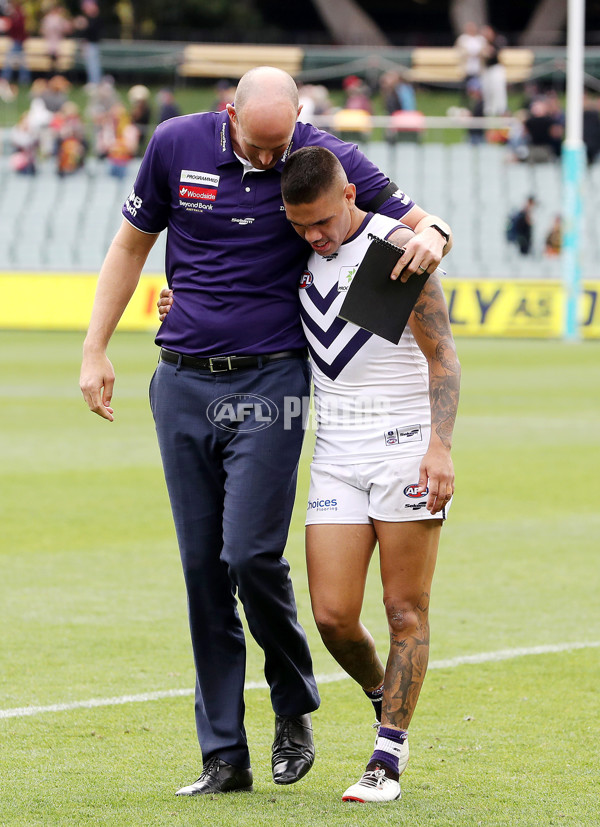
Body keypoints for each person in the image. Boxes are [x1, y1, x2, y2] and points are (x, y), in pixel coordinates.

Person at [80, 66, 453, 798]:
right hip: (180, 378)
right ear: (228, 116)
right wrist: (96, 347)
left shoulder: (316, 156)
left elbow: (414, 221)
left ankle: (292, 701)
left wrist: (437, 231)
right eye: (258, 145)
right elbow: (130, 247)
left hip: (270, 383)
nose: (270, 160)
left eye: (281, 144)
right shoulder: (173, 144)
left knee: (251, 553)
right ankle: (224, 753)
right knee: (201, 571)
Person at [279, 145, 459, 803]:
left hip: (405, 448)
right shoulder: (297, 252)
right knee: (331, 615)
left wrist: (439, 448)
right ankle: (390, 696)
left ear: (350, 194)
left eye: (322, 222)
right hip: (336, 455)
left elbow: (443, 359)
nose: (314, 236)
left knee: (403, 607)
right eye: (301, 226)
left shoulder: (397, 247)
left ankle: (387, 755)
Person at [0, 0, 31, 89]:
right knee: (22, 62)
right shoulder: (17, 14)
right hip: (18, 40)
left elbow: (19, 27)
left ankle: (4, 78)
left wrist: (9, 24)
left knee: (9, 61)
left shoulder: (17, 14)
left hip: (18, 40)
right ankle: (24, 79)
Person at [480, 25, 508, 117]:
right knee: (488, 91)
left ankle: (501, 110)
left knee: (498, 91)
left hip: (496, 69)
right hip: (487, 70)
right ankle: (489, 111)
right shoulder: (482, 42)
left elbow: (494, 53)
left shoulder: (498, 40)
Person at [74, 0, 102, 86]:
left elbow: (92, 32)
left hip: (93, 45)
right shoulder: (88, 19)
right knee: (90, 65)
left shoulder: (95, 19)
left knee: (93, 65)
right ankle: (92, 82)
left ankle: (95, 82)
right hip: (88, 45)